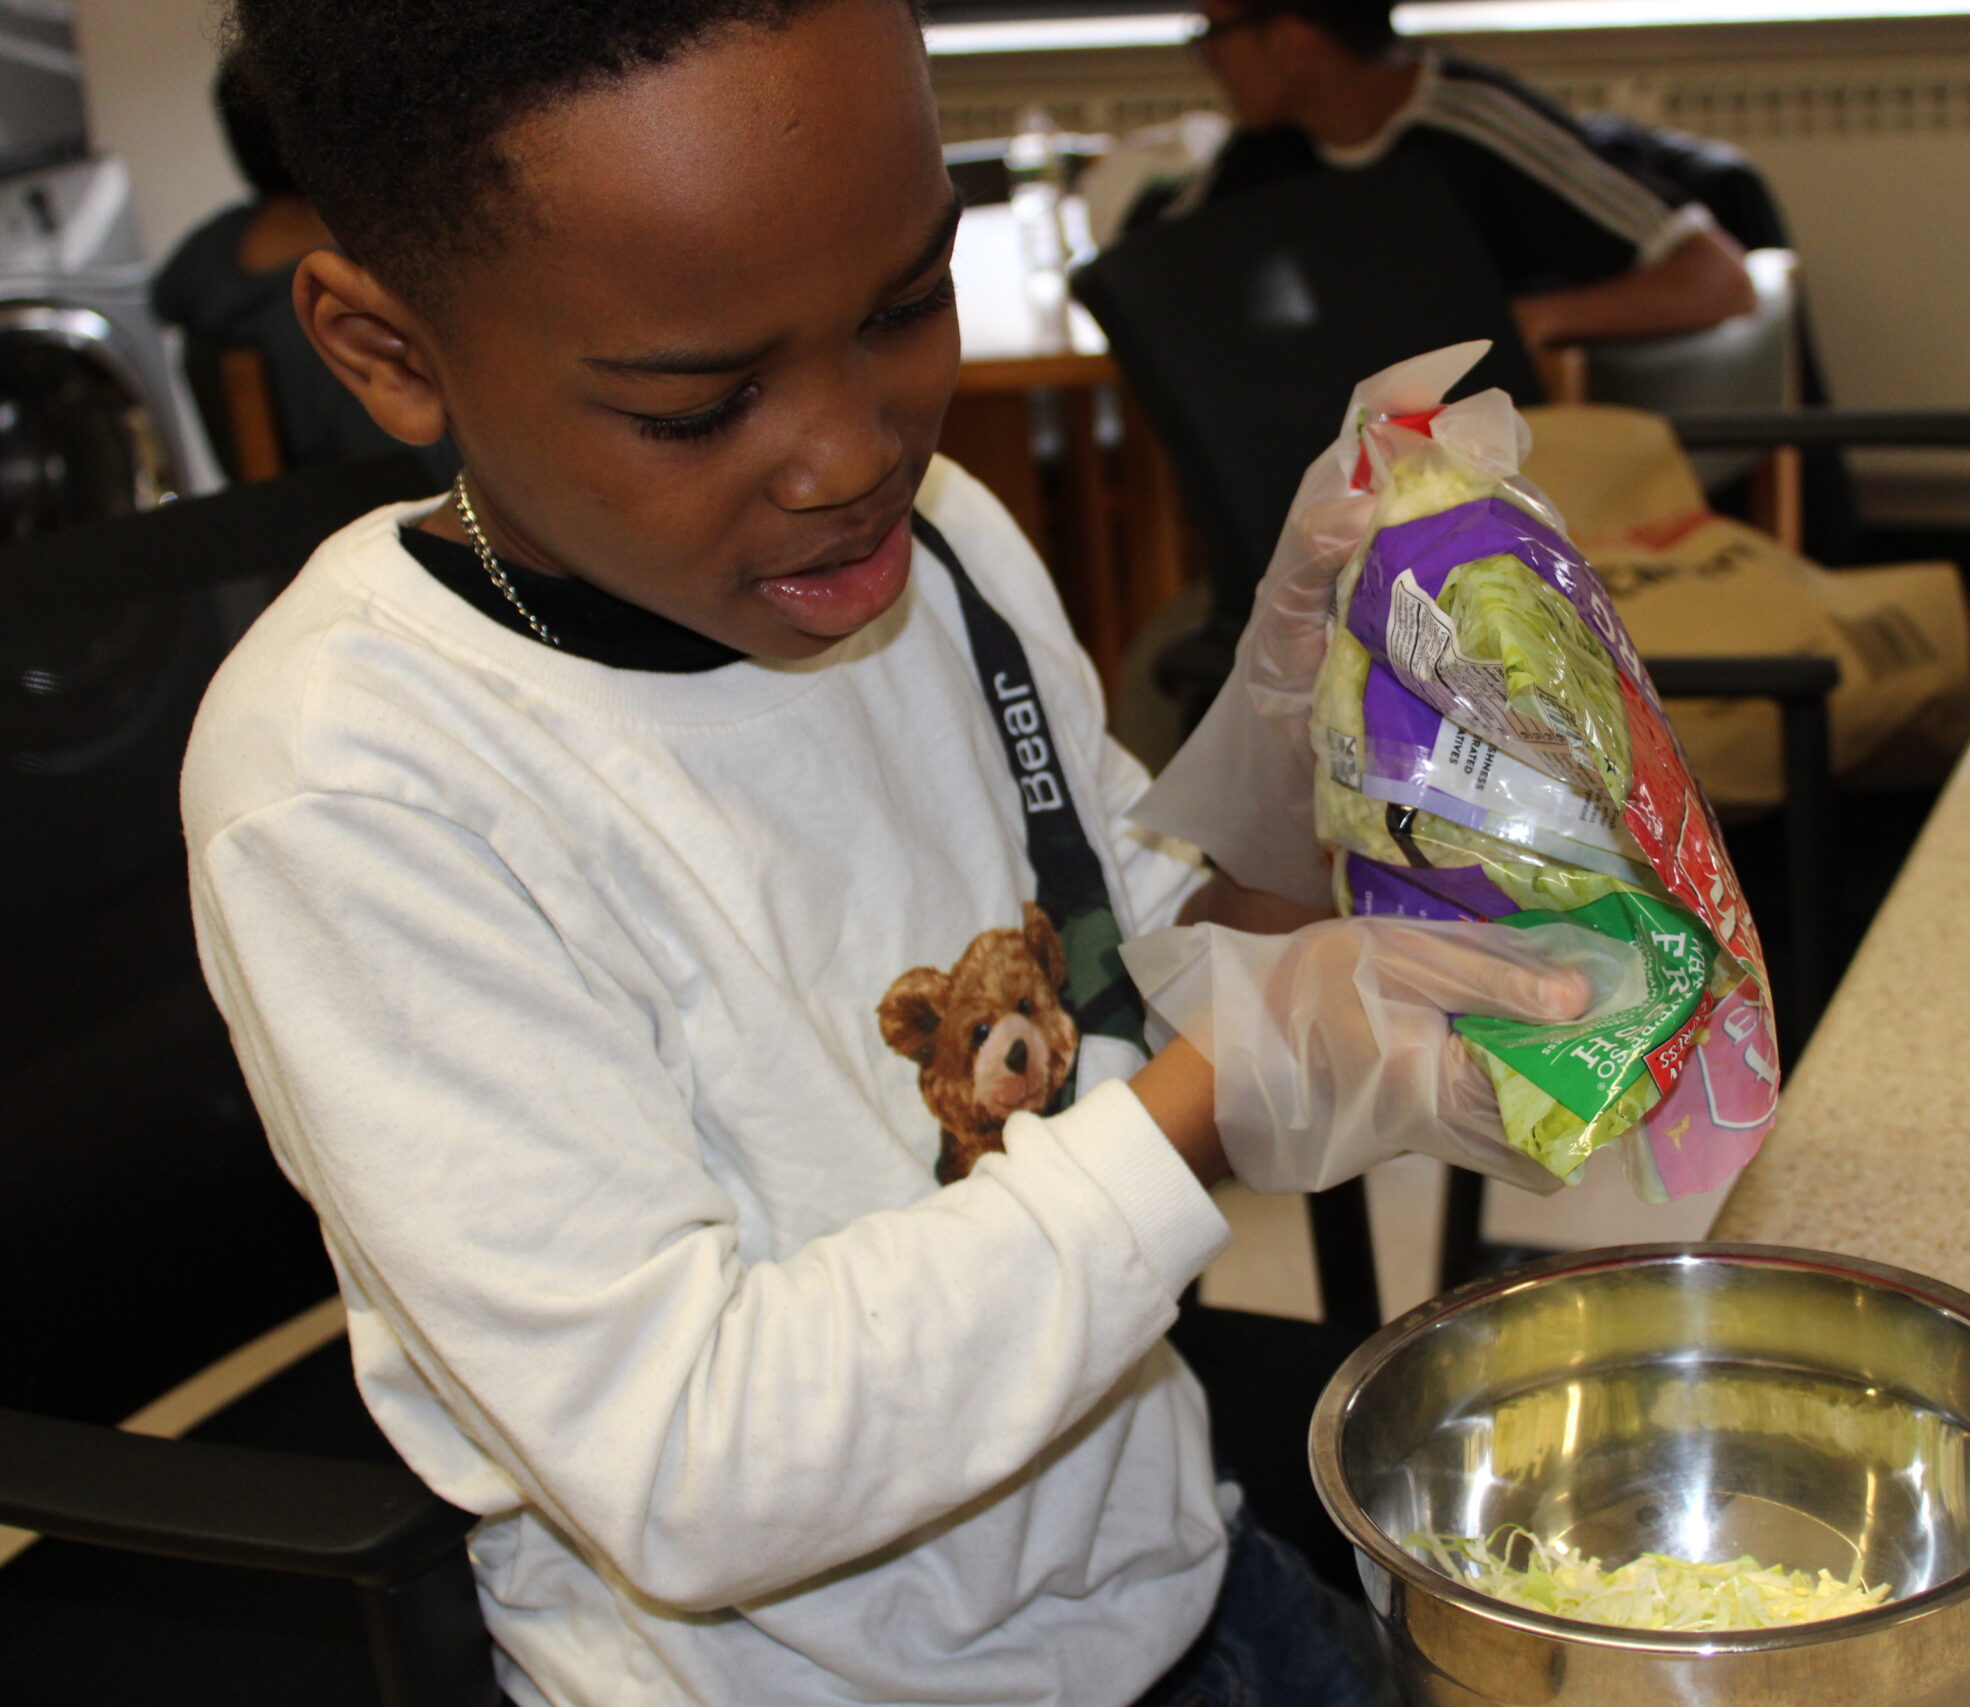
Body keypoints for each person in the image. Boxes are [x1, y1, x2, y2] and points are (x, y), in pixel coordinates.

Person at [185, 2, 1603, 1704]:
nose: (855, 453)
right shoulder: (360, 780)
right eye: (702, 403)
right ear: (391, 351)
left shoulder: (944, 554)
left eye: (903, 305)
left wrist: (1311, 763)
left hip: (1170, 1577)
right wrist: (1219, 1090)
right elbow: (691, 1467)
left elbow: (1135, 988)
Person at [1163, 0, 1755, 350]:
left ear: (1292, 40)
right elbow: (1146, 280)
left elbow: (1720, 278)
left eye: (1216, 33)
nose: (1209, 59)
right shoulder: (1261, 150)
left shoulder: (1478, 125)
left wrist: (1533, 319)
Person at [149, 58, 418, 472]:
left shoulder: (212, 252)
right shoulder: (364, 263)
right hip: (385, 490)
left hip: (285, 503)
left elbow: (161, 299)